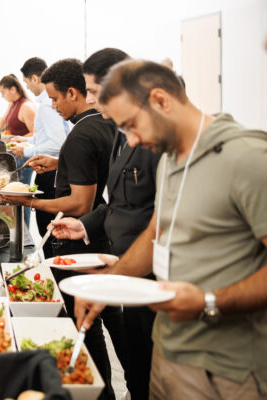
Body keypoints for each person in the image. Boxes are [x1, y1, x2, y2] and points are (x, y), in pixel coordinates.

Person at [75, 59, 267, 400]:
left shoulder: (247, 157)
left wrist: (210, 302)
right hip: (167, 353)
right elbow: (155, 235)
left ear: (161, 100)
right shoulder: (169, 159)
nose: (131, 141)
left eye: (132, 125)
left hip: (226, 369)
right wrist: (108, 283)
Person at [1, 59, 116, 400]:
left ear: (73, 92)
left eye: (54, 99)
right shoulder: (103, 126)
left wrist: (27, 202)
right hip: (101, 237)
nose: (51, 106)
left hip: (81, 241)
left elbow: (79, 203)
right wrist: (58, 162)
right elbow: (89, 170)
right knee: (111, 322)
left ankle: (100, 392)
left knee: (87, 326)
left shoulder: (83, 132)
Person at [51, 48, 162, 400]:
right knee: (137, 361)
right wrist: (85, 225)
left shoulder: (154, 139)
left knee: (145, 365)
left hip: (149, 274)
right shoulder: (118, 131)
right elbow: (117, 203)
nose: (93, 102)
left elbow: (157, 218)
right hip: (125, 264)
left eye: (98, 93)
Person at [13, 57, 70, 256]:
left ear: (35, 78)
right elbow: (47, 136)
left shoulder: (47, 106)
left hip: (51, 170)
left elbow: (57, 144)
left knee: (49, 231)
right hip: (49, 167)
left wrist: (27, 150)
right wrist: (26, 141)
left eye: (27, 82)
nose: (26, 87)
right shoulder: (46, 104)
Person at [0, 74, 37, 226]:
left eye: (3, 92)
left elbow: (34, 133)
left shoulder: (26, 106)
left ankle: (24, 231)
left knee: (22, 197)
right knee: (13, 197)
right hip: (13, 154)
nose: (2, 96)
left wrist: (16, 139)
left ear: (13, 89)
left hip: (23, 156)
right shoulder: (12, 104)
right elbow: (2, 122)